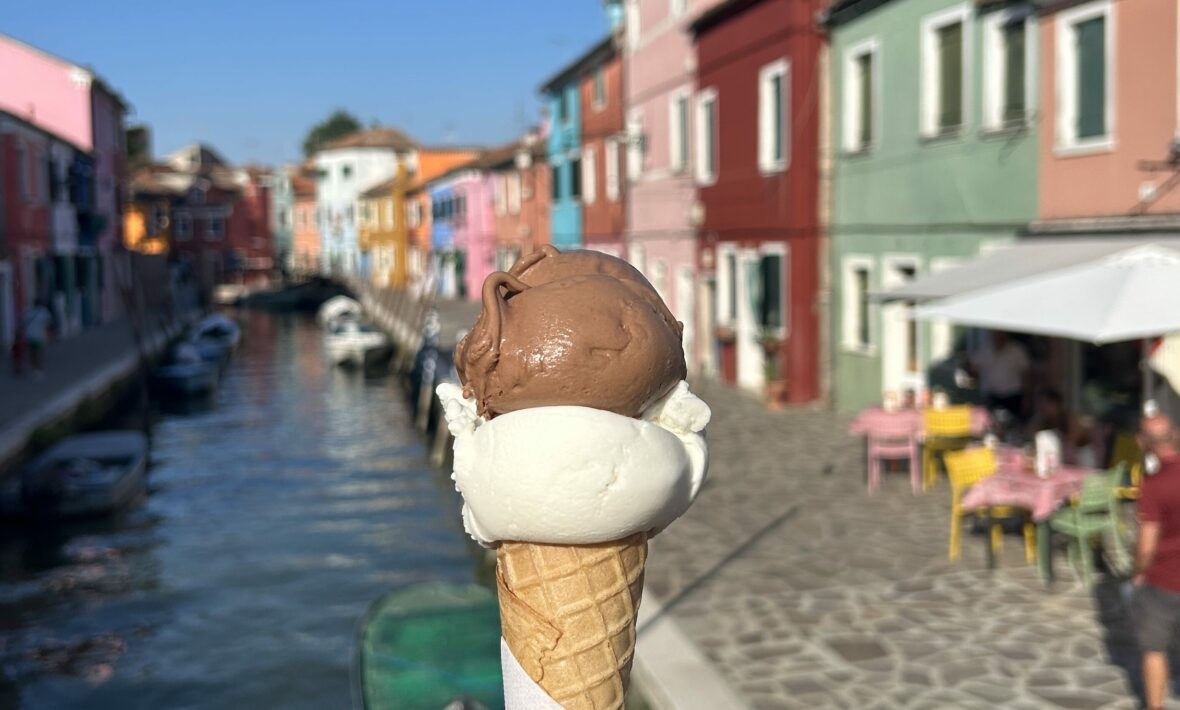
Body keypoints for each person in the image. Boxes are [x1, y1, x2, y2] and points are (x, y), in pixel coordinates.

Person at [1132, 413, 1180, 710]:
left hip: (1164, 579)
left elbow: (1147, 544)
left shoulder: (1153, 484)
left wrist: (1137, 572)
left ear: (1143, 444)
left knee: (1154, 648)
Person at [968, 331, 1031, 422]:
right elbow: (973, 372)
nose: (998, 337)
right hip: (991, 396)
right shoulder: (984, 351)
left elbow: (1027, 375)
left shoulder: (1017, 351)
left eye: (1001, 335)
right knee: (991, 424)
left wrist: (1027, 398)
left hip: (1013, 396)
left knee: (1014, 423)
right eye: (996, 335)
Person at [1025, 387, 1095, 467]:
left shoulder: (1069, 418)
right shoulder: (1043, 420)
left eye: (1046, 403)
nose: (1042, 407)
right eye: (1040, 404)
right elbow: (1030, 437)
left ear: (1056, 404)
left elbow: (1071, 444)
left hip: (1081, 457)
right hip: (1060, 457)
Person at [21, 300, 52, 376]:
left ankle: (34, 367)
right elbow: (48, 322)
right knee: (39, 352)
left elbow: (23, 322)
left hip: (29, 335)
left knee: (32, 352)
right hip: (39, 336)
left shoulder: (28, 312)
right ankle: (39, 368)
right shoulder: (43, 311)